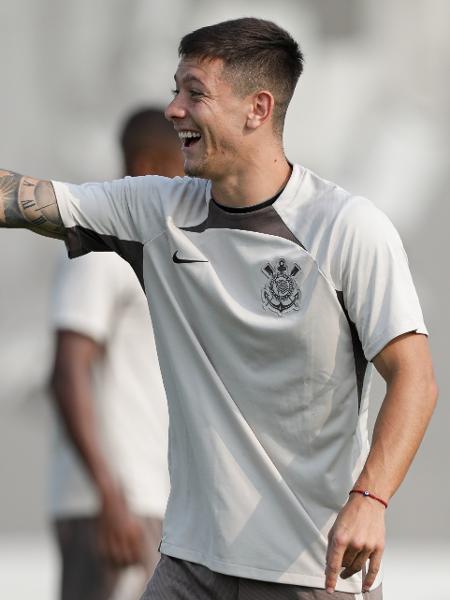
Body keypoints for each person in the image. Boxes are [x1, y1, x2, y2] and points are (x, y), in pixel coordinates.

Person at [0, 17, 437, 600]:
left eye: (194, 93)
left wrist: (370, 500)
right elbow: (21, 199)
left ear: (257, 109)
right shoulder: (153, 211)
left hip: (310, 570)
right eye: (175, 89)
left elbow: (416, 379)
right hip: (189, 566)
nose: (174, 109)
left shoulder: (347, 229)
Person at [48, 108, 184, 600]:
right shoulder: (102, 248)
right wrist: (109, 495)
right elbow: (67, 370)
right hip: (113, 506)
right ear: (148, 167)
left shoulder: (150, 248)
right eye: (180, 164)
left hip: (148, 500)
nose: (189, 180)